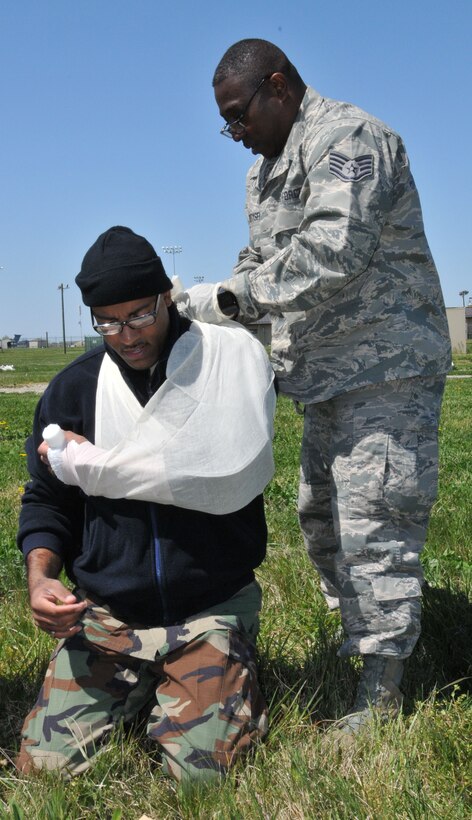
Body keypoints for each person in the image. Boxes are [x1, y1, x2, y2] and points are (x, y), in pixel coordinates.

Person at [177, 38, 452, 735]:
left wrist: (233, 298)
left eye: (240, 114)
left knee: (374, 528)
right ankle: (355, 645)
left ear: (280, 86)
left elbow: (335, 249)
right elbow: (261, 261)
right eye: (226, 122)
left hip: (384, 371)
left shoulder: (350, 139)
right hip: (324, 376)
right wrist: (208, 315)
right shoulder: (264, 174)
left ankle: (383, 692)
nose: (234, 133)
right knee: (322, 524)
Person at [16, 225, 276, 781]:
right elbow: (47, 500)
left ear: (167, 298)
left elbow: (236, 466)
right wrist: (41, 579)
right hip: (110, 614)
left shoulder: (220, 368)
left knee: (202, 777)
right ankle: (146, 691)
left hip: (210, 607)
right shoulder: (75, 390)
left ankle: (205, 674)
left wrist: (107, 466)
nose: (126, 335)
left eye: (139, 315)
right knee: (41, 771)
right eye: (107, 321)